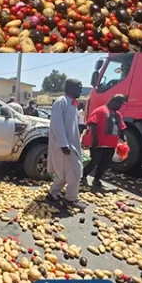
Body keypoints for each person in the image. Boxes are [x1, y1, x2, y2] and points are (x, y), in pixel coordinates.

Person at [47, 79, 86, 209]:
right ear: (70, 88)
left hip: (71, 143)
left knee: (63, 172)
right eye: (79, 87)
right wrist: (64, 144)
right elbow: (57, 124)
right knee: (75, 171)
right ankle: (71, 198)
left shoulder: (73, 104)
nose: (81, 90)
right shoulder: (61, 102)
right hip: (64, 145)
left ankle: (53, 193)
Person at [83, 94, 127, 191]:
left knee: (105, 163)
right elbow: (92, 124)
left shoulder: (118, 115)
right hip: (99, 142)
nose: (120, 106)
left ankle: (97, 179)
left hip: (111, 144)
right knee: (95, 160)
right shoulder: (100, 111)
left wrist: (123, 138)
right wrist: (94, 139)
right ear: (113, 101)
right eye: (119, 104)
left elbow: (122, 127)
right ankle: (83, 175)